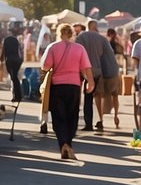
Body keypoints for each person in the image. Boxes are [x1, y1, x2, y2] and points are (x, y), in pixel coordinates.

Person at [40, 22, 95, 161]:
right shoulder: (80, 48)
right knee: (72, 116)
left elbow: (46, 66)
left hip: (57, 86)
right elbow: (86, 67)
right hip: (74, 86)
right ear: (72, 34)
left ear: (59, 33)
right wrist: (90, 82)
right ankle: (68, 144)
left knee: (59, 117)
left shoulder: (53, 47)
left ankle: (63, 143)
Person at [76, 20, 118, 132]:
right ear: (95, 27)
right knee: (98, 96)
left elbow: (76, 53)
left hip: (84, 70)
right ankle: (100, 120)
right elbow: (109, 55)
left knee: (87, 98)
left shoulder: (81, 37)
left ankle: (88, 123)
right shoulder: (102, 38)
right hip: (98, 70)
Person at [2, 25, 24, 103]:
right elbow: (20, 51)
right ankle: (18, 95)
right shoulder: (17, 40)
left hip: (10, 60)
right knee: (15, 77)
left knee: (13, 78)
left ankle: (17, 96)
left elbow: (3, 51)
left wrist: (1, 60)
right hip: (17, 60)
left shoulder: (6, 40)